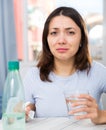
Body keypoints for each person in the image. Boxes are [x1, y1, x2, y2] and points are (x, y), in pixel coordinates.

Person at [24, 6, 106, 124]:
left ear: (82, 39)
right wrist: (25, 113)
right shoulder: (33, 76)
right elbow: (25, 110)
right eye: (54, 33)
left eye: (70, 32)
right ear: (46, 39)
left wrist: (101, 116)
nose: (61, 40)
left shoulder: (98, 72)